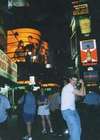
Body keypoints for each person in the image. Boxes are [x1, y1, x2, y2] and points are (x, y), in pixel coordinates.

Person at [61, 76, 86, 140]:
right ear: (70, 80)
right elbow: (81, 93)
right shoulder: (68, 87)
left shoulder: (72, 87)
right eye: (73, 80)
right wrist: (82, 84)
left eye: (75, 80)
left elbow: (83, 94)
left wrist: (83, 84)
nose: (74, 82)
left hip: (73, 111)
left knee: (77, 129)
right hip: (67, 111)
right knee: (75, 128)